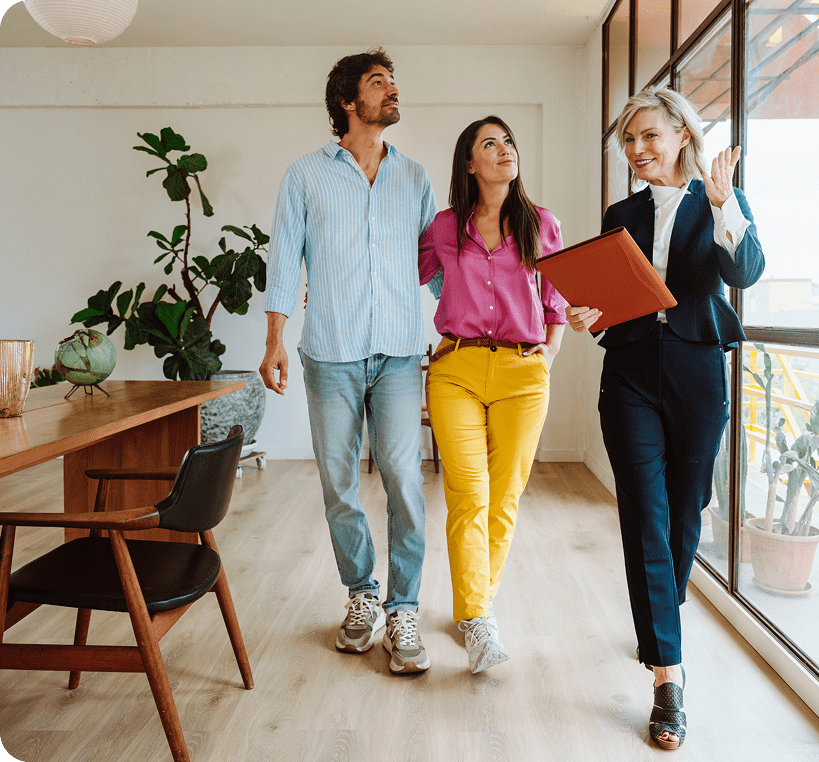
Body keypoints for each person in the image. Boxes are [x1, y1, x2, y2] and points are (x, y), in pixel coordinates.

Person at [566, 86, 764, 748]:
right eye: (628, 140)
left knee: (686, 512)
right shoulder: (620, 209)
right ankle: (667, 677)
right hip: (627, 373)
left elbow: (746, 272)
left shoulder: (717, 201)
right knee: (644, 517)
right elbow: (613, 292)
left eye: (648, 135)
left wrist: (722, 205)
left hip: (696, 371)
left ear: (681, 133)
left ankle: (660, 616)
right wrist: (587, 310)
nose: (636, 150)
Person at [259, 48, 437, 673]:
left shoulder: (414, 177)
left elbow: (433, 265)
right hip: (328, 353)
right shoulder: (306, 175)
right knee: (339, 484)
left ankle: (404, 605)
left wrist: (473, 324)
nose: (391, 91)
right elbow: (284, 262)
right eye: (378, 83)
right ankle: (362, 595)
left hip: (397, 354)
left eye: (392, 82)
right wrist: (275, 338)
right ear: (346, 101)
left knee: (404, 481)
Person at [419, 116, 567, 674]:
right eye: (490, 144)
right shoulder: (444, 226)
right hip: (455, 367)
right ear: (469, 163)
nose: (504, 150)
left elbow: (556, 302)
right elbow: (402, 271)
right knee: (467, 491)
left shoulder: (539, 223)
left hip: (523, 374)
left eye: (508, 142)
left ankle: (473, 607)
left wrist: (547, 359)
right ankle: (478, 619)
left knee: (504, 497)